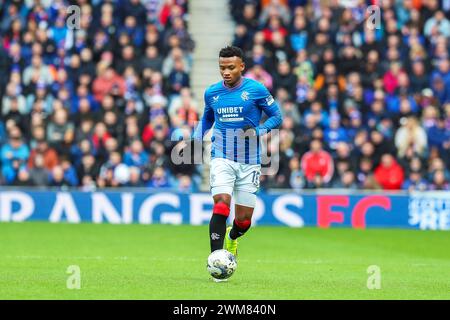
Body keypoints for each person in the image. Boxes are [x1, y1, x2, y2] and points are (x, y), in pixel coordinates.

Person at [187, 46, 282, 280]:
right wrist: (197, 137)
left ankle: (231, 238)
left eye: (231, 67)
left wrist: (261, 130)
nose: (226, 72)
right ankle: (216, 262)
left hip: (250, 161)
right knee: (221, 204)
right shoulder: (212, 93)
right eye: (222, 68)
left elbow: (277, 116)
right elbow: (208, 117)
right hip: (222, 155)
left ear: (242, 66)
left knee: (243, 221)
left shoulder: (256, 90)